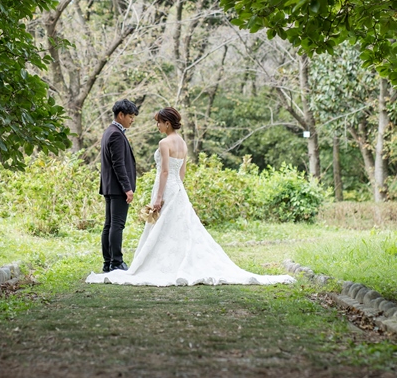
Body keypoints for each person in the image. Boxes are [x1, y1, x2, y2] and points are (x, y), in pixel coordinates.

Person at [86, 107, 295, 286]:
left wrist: (158, 198)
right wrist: (178, 189)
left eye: (159, 123)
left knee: (163, 226)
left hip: (165, 187)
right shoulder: (183, 144)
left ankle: (159, 262)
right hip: (177, 188)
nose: (157, 126)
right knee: (180, 227)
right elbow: (181, 173)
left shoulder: (164, 143)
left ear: (167, 123)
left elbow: (165, 172)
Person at [98, 99, 139, 273]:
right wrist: (127, 188)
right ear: (120, 115)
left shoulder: (109, 131)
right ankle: (116, 262)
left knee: (109, 224)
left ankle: (108, 262)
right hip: (117, 188)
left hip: (110, 187)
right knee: (117, 225)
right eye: (130, 116)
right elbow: (118, 164)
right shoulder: (116, 134)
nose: (132, 120)